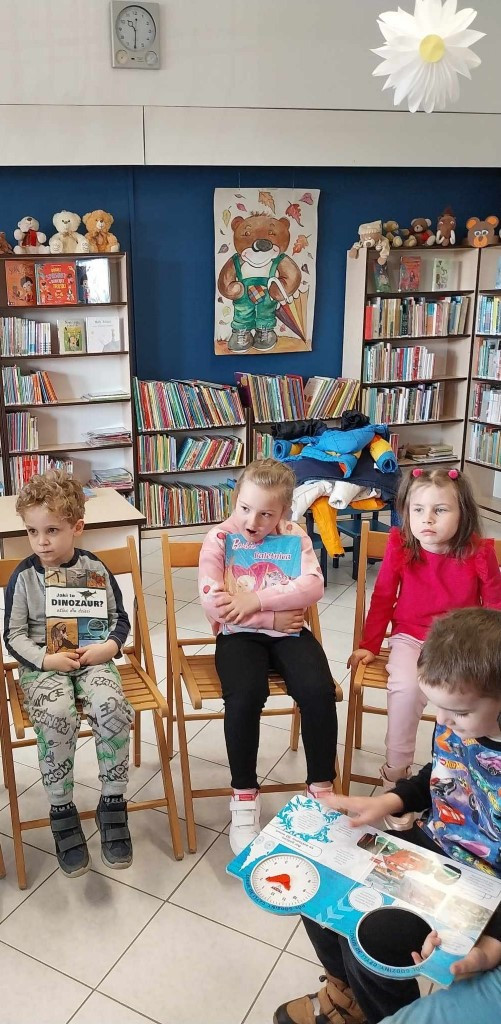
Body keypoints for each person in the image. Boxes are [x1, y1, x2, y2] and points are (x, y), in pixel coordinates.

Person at [274, 608, 501, 1024]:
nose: (442, 720)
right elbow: (442, 774)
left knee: (371, 937)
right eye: (436, 706)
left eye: (458, 712)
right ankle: (347, 992)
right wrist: (387, 802)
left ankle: (384, 1013)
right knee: (317, 882)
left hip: (487, 886)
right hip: (436, 848)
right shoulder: (462, 721)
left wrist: (494, 945)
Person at [198, 458, 338, 854]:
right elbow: (214, 603)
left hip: (290, 634)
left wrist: (256, 599)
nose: (252, 521)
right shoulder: (220, 539)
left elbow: (313, 585)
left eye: (266, 514)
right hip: (240, 636)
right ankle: (244, 796)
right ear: (236, 499)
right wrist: (271, 615)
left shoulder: (294, 535)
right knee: (244, 696)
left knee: (318, 691)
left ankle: (321, 791)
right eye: (245, 508)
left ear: (284, 512)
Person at [348, 467, 501, 829]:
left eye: (440, 510)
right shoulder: (401, 545)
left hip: (460, 643)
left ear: (463, 512)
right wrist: (370, 644)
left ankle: (456, 774)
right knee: (405, 687)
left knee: (465, 699)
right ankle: (396, 774)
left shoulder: (479, 551)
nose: (426, 519)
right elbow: (383, 597)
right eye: (417, 509)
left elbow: (495, 606)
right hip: (411, 636)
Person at [4, 470, 134, 877]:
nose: (41, 541)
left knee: (112, 706)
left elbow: (119, 619)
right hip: (43, 665)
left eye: (52, 530)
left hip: (93, 657)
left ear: (77, 527)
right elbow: (13, 635)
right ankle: (61, 809)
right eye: (32, 531)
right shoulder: (24, 576)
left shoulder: (94, 567)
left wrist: (108, 648)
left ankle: (113, 802)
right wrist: (46, 661)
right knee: (57, 713)